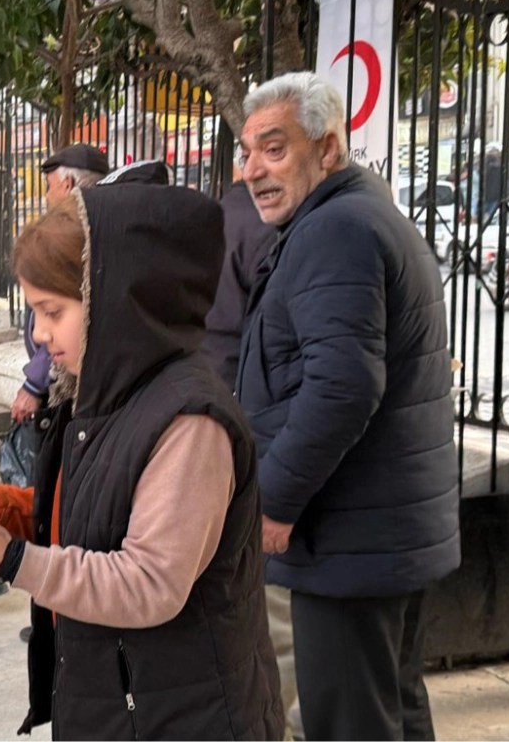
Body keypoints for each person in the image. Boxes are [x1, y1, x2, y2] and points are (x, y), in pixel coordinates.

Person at [0, 184, 283, 739]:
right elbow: (80, 515)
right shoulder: (104, 394)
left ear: (115, 302)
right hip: (120, 704)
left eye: (52, 311)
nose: (38, 333)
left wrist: (11, 560)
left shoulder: (188, 422)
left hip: (181, 719)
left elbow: (149, 580)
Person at [236, 72, 459, 742]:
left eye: (274, 149)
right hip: (374, 530)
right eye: (247, 153)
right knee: (391, 708)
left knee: (352, 722)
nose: (253, 171)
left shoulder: (337, 228)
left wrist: (275, 500)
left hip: (349, 536)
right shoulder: (353, 217)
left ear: (327, 149)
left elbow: (343, 386)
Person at [203, 177, 295, 738]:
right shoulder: (259, 223)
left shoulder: (246, 220)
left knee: (272, 607)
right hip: (243, 424)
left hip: (245, 428)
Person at [11, 144, 109, 426]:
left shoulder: (78, 235)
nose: (46, 196)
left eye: (49, 187)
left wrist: (34, 384)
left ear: (67, 184)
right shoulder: (104, 225)